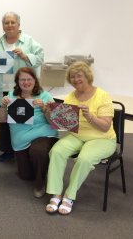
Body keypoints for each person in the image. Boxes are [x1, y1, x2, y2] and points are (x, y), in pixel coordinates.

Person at [45, 61, 116, 215]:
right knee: (56, 151)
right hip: (77, 135)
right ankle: (56, 193)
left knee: (84, 159)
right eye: (72, 77)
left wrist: (90, 116)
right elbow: (65, 123)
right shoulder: (71, 96)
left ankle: (69, 196)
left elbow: (105, 126)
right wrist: (52, 112)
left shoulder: (103, 96)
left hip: (102, 138)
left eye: (79, 76)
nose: (76, 79)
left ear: (87, 76)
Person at [0, 12, 44, 162]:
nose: (9, 25)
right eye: (6, 23)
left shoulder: (28, 41)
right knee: (6, 116)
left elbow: (40, 57)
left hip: (24, 84)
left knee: (23, 114)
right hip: (6, 83)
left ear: (18, 25)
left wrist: (25, 55)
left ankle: (23, 148)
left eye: (12, 22)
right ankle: (7, 150)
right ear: (3, 26)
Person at [0, 67, 58, 198]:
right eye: (22, 79)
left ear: (35, 80)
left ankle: (40, 184)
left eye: (29, 79)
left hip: (42, 134)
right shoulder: (11, 95)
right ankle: (42, 166)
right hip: (20, 140)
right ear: (17, 81)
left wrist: (44, 109)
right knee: (25, 176)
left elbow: (54, 122)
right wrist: (3, 106)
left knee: (38, 151)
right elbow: (2, 119)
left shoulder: (45, 95)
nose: (26, 82)